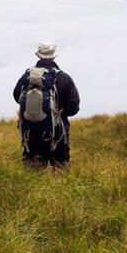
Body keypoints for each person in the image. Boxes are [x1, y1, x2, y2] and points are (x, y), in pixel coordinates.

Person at [12, 39, 80, 171]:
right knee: (60, 177)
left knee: (32, 179)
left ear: (38, 54)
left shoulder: (27, 76)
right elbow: (73, 109)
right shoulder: (63, 78)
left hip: (30, 135)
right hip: (57, 137)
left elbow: (16, 97)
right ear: (54, 55)